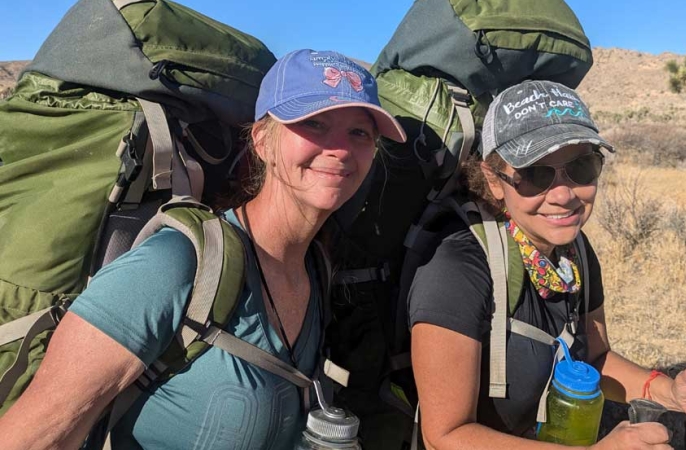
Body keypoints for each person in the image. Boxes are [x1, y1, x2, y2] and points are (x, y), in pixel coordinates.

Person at [0, 49, 405, 449]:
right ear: (262, 140)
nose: (341, 149)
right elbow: (34, 437)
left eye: (360, 133)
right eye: (314, 123)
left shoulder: (317, 270)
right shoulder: (176, 264)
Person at [408, 80, 686, 450]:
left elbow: (596, 357)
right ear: (494, 180)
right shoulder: (458, 269)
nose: (563, 195)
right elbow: (445, 436)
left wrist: (672, 392)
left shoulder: (575, 251)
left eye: (581, 166)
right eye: (535, 174)